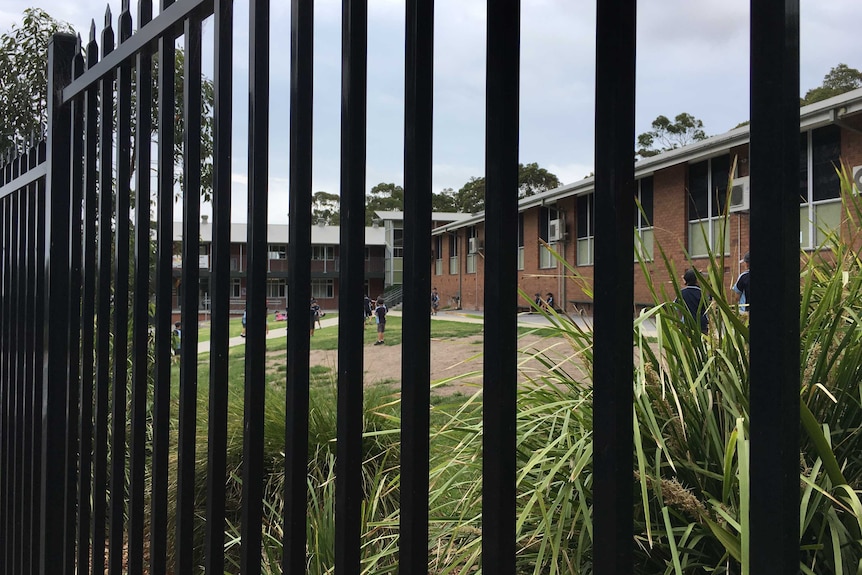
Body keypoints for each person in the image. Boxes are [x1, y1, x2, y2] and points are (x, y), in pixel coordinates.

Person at [677, 269, 709, 334]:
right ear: (697, 280)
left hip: (687, 324)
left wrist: (679, 322)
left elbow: (678, 309)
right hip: (701, 325)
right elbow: (708, 308)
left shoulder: (681, 293)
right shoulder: (702, 293)